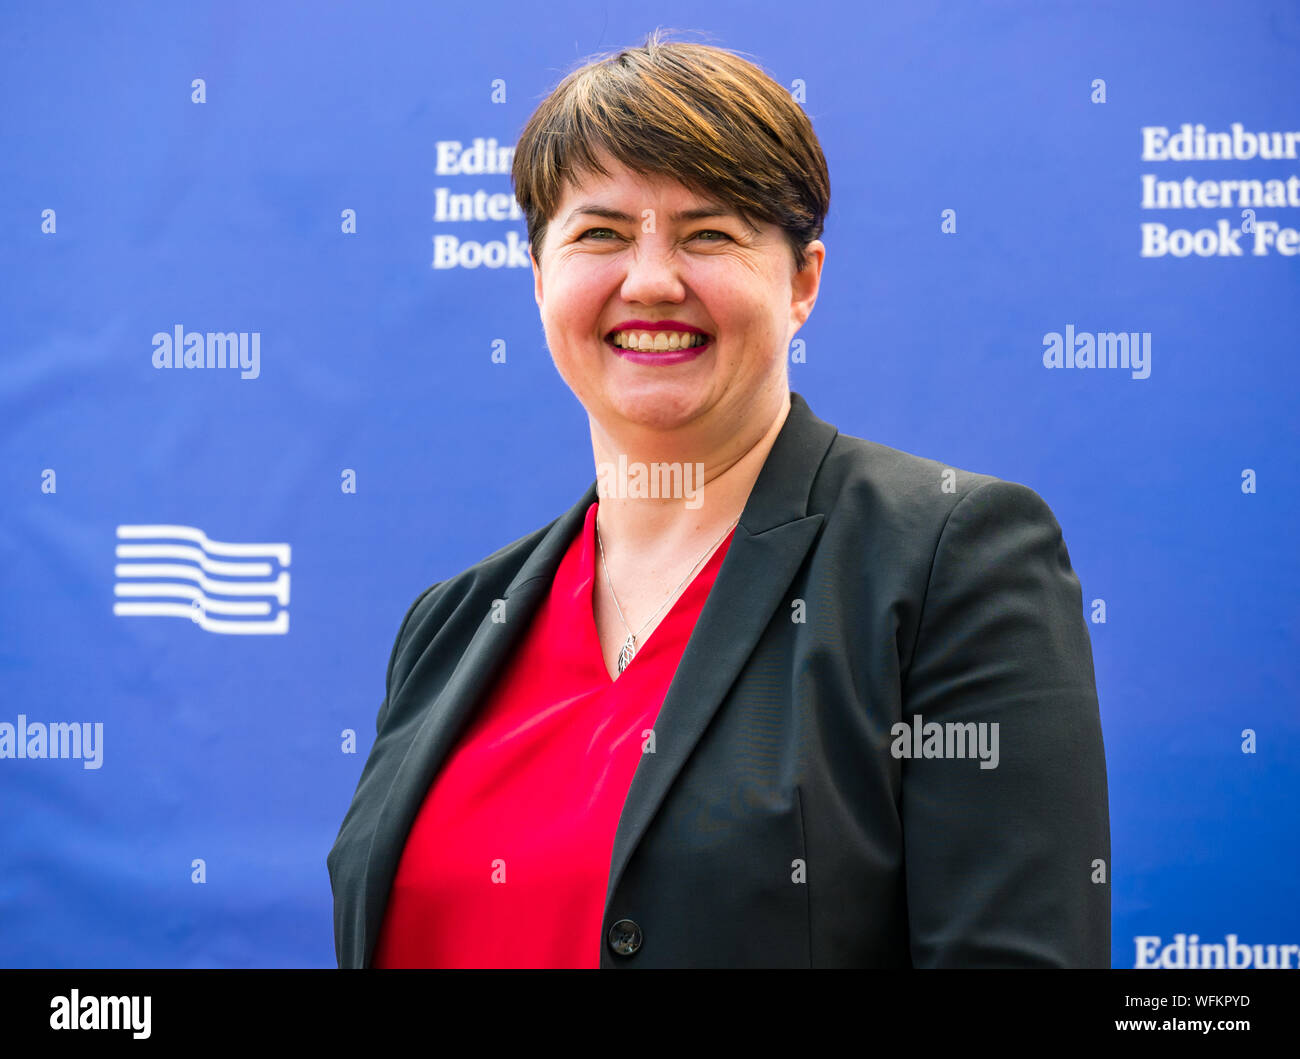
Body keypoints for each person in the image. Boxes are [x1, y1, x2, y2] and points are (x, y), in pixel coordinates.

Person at [327, 29, 1110, 968]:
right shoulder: (448, 625)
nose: (651, 280)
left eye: (709, 234)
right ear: (540, 279)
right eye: (600, 233)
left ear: (803, 281)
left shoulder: (950, 560)